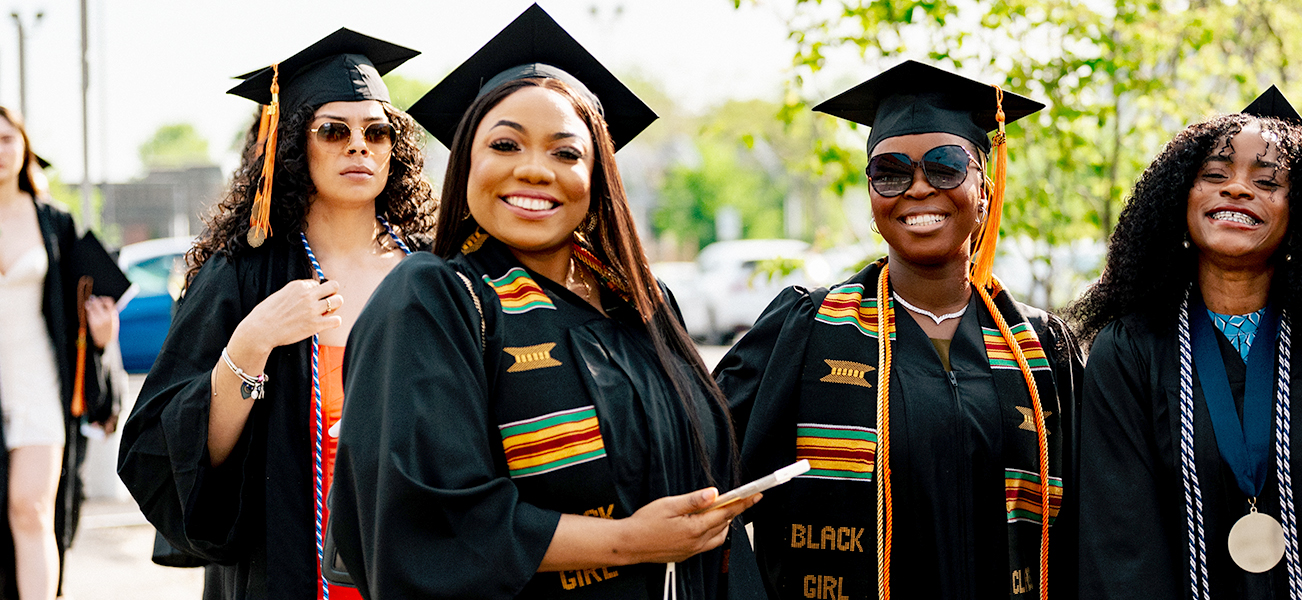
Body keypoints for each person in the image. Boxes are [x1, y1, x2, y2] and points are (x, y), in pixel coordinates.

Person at [329, 6, 747, 599]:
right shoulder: (436, 301)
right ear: (468, 162)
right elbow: (428, 523)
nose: (534, 170)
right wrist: (631, 541)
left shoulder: (647, 307)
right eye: (505, 144)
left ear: (598, 174)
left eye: (566, 152)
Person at [715, 60, 1081, 600]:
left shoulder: (1042, 348)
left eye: (946, 167)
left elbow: (1094, 520)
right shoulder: (806, 333)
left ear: (985, 188)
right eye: (890, 171)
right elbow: (696, 473)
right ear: (871, 196)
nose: (917, 188)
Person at [1066, 87, 1302, 600]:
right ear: (1179, 199)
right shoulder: (1131, 351)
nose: (1237, 190)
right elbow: (1120, 548)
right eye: (1214, 176)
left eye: (1267, 182)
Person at [117, 29, 433, 600]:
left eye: (376, 132)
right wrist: (250, 344)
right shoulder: (242, 273)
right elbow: (170, 454)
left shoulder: (432, 272)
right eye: (333, 131)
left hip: (417, 560)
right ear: (293, 145)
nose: (357, 146)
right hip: (289, 564)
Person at [0, 108, 122, 600]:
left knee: (30, 508)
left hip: (38, 382)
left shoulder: (53, 222)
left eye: (7, 138)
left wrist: (100, 334)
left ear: (24, 146)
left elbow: (82, 302)